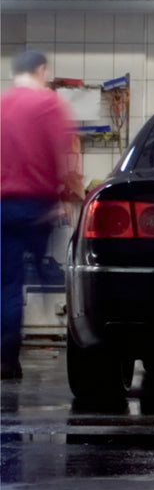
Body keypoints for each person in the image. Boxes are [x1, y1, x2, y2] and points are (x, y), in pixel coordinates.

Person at [1, 49, 79, 379]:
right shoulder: (49, 104)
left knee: (8, 283)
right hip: (37, 204)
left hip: (3, 207)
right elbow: (62, 152)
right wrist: (63, 197)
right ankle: (65, 325)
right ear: (41, 70)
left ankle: (7, 358)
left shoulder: (2, 104)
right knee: (52, 271)